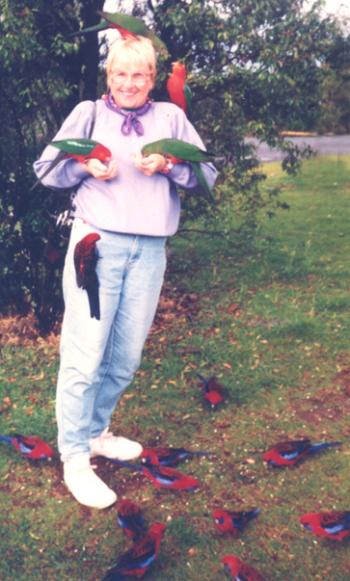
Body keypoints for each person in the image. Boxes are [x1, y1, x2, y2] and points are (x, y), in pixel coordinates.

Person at [33, 36, 217, 509]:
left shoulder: (170, 119)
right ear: (109, 77)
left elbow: (207, 177)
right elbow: (46, 170)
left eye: (139, 75)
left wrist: (171, 166)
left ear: (152, 79)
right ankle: (74, 457)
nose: (129, 83)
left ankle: (96, 432)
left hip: (150, 250)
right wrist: (86, 169)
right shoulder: (89, 113)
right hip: (97, 247)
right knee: (85, 352)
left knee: (125, 356)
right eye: (120, 74)